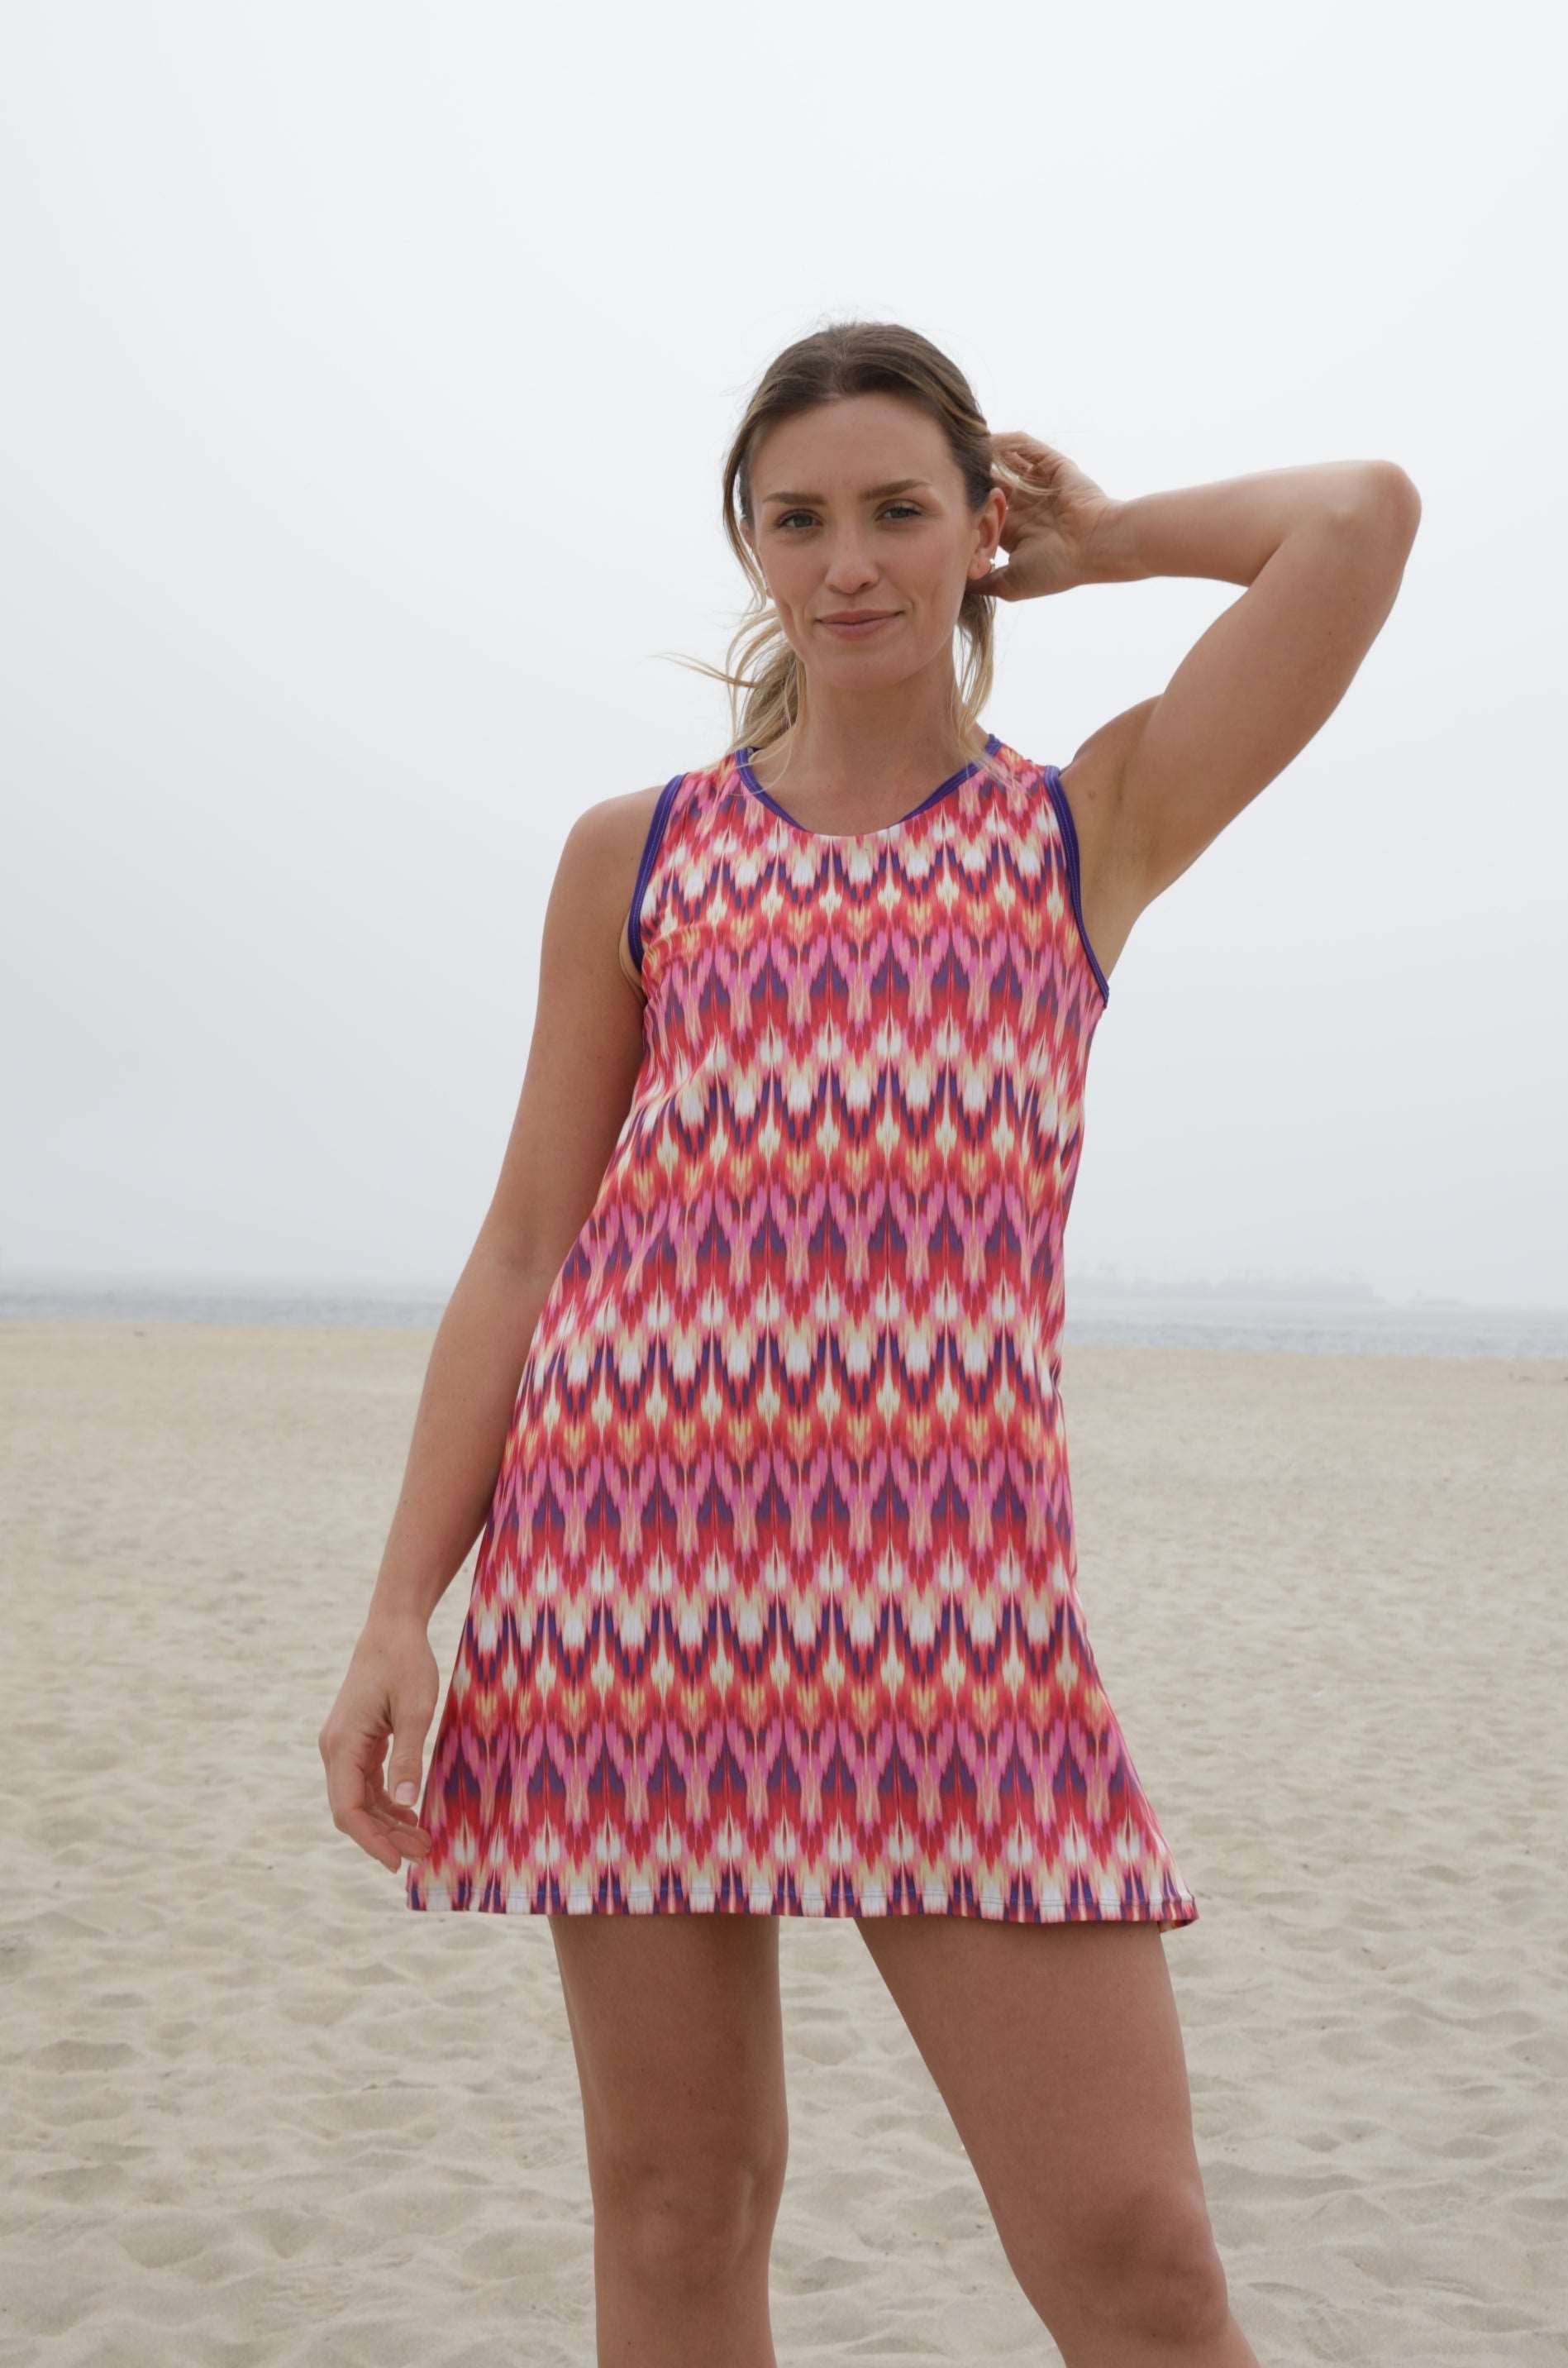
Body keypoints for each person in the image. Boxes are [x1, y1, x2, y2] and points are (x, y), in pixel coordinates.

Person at [319, 319, 1420, 2367]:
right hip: (618, 1593)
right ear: (745, 544)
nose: (849, 562)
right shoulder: (634, 857)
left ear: (973, 528)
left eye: (899, 513)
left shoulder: (1088, 827)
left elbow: (1358, 520)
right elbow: (529, 1242)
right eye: (799, 518)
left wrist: (1103, 550)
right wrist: (406, 1603)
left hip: (951, 1621)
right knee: (676, 2212)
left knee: (1136, 2258)